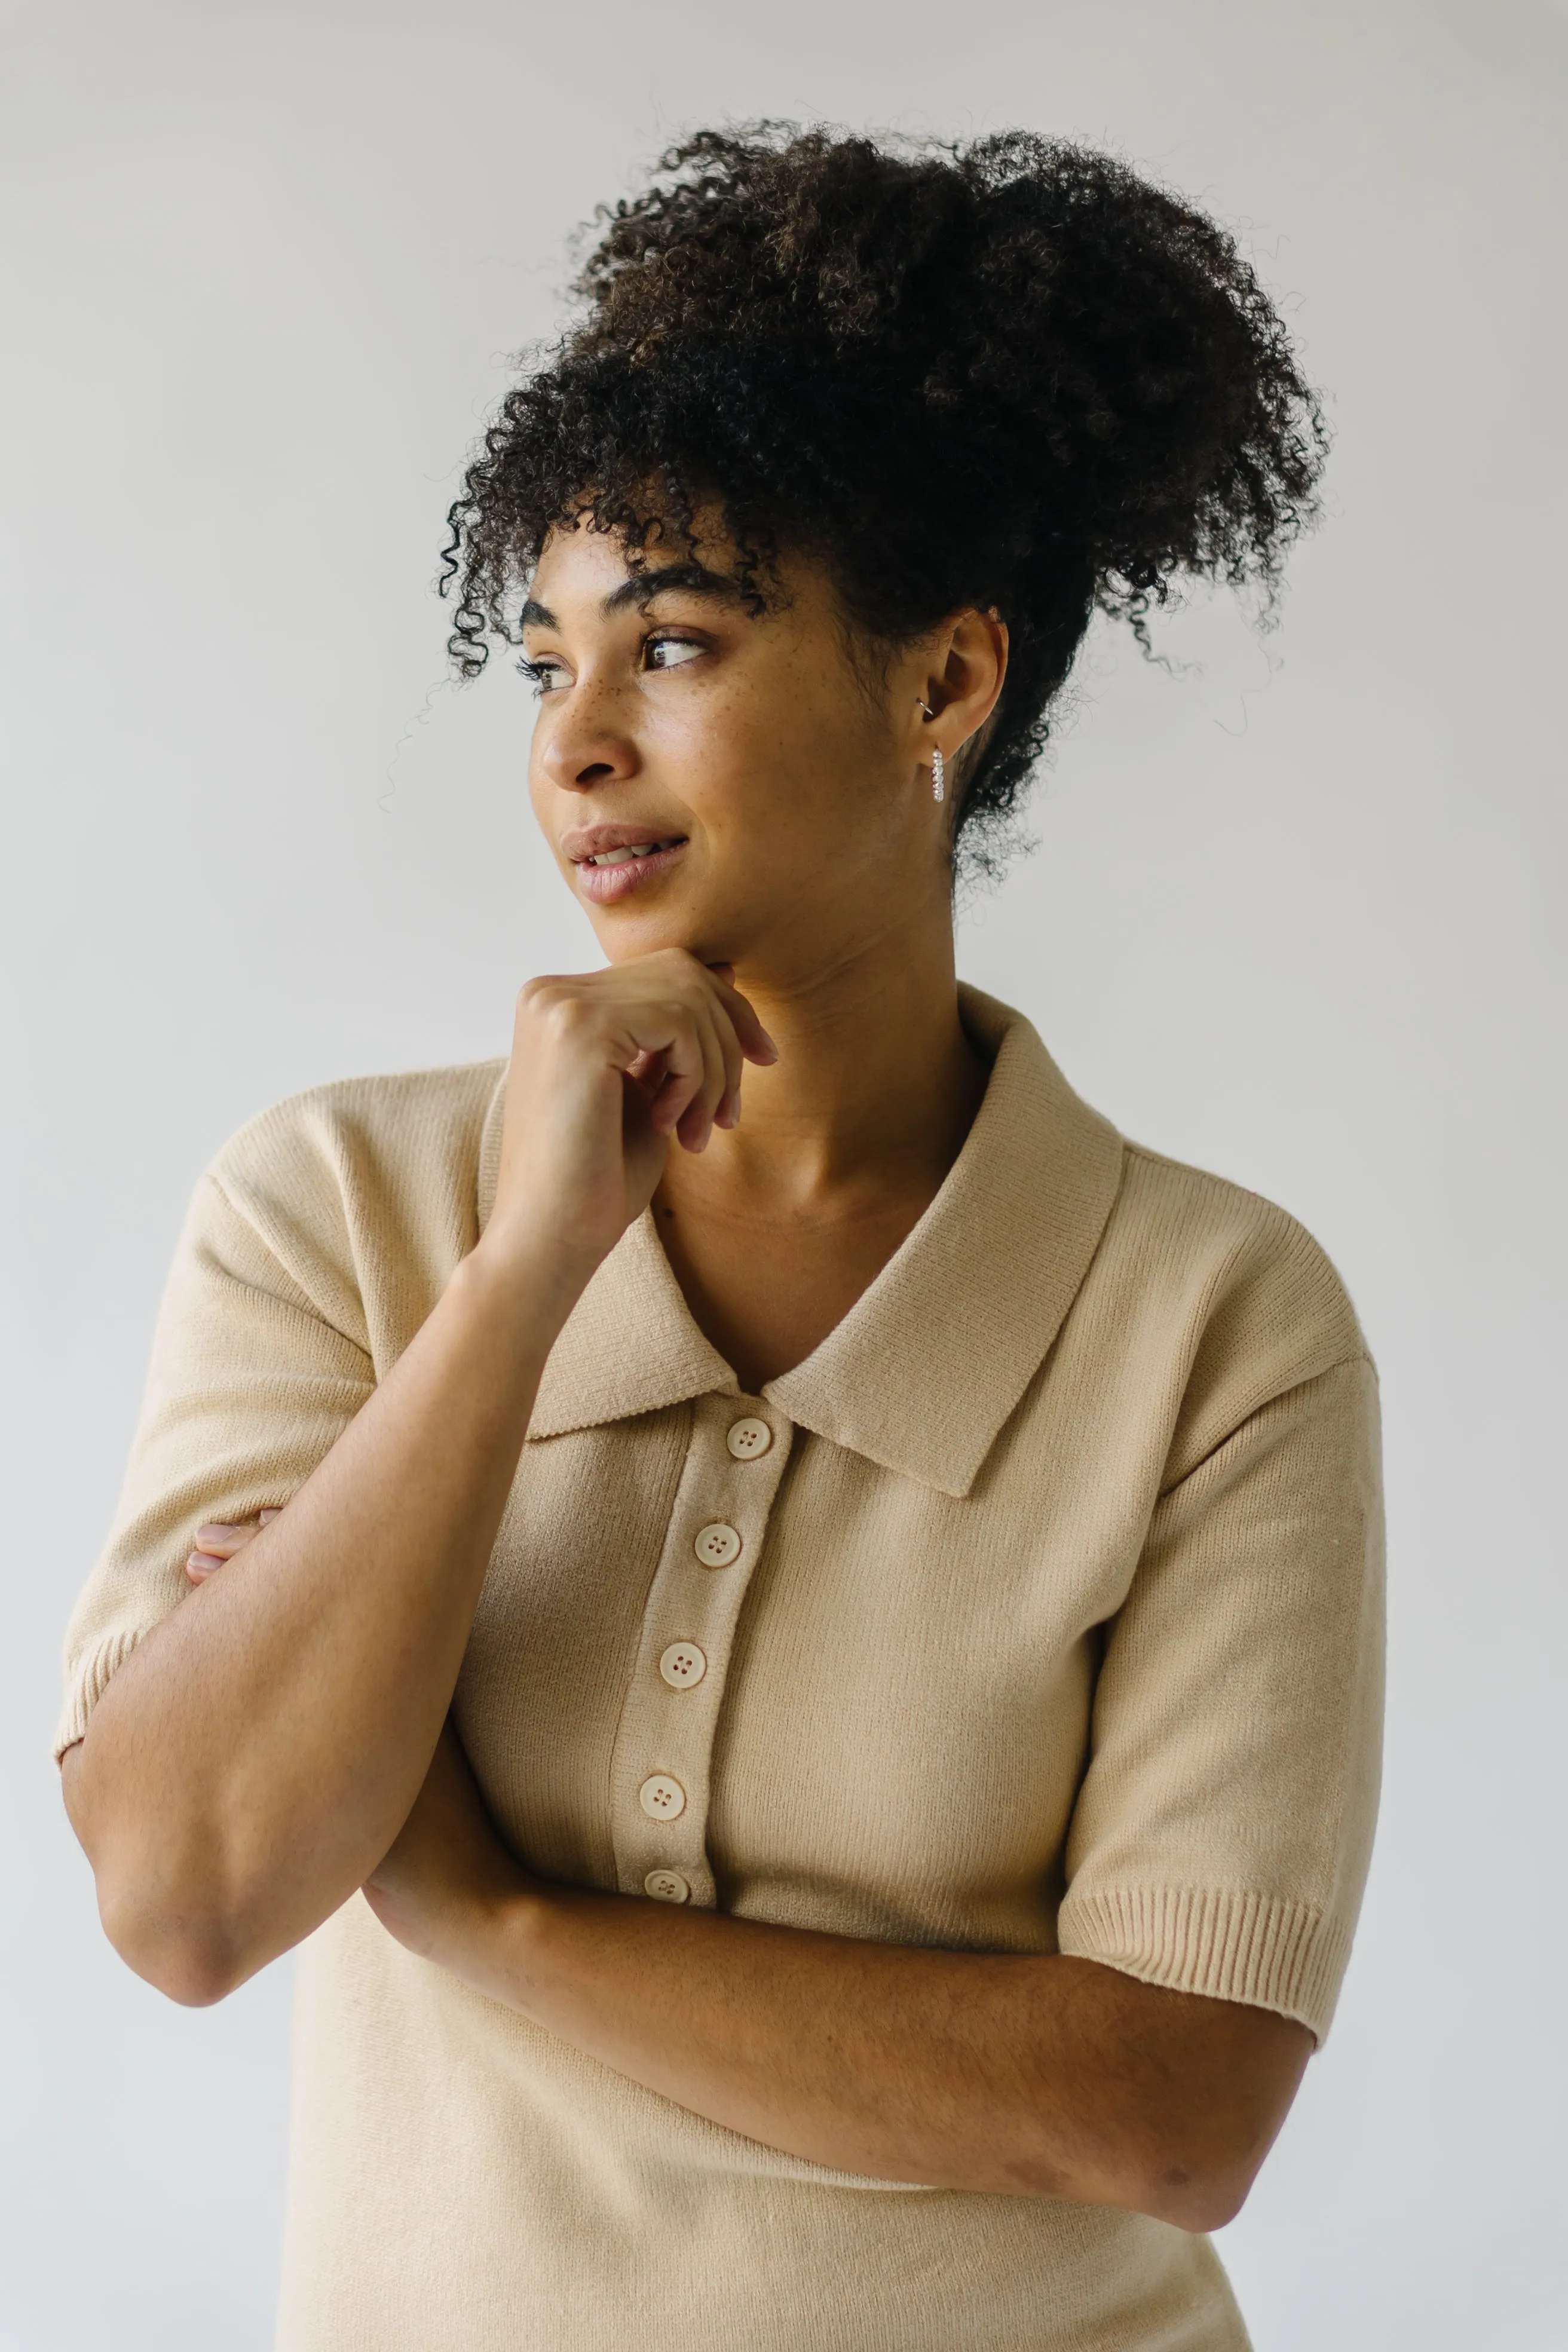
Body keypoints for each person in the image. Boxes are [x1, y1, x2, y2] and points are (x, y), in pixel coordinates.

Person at [57, 127, 1383, 2352]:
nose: (578, 745)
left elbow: (1174, 2107)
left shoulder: (1214, 1324)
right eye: (543, 662)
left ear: (943, 685)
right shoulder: (344, 1211)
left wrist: (488, 1915)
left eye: (671, 645)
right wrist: (517, 1274)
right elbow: (187, 1894)